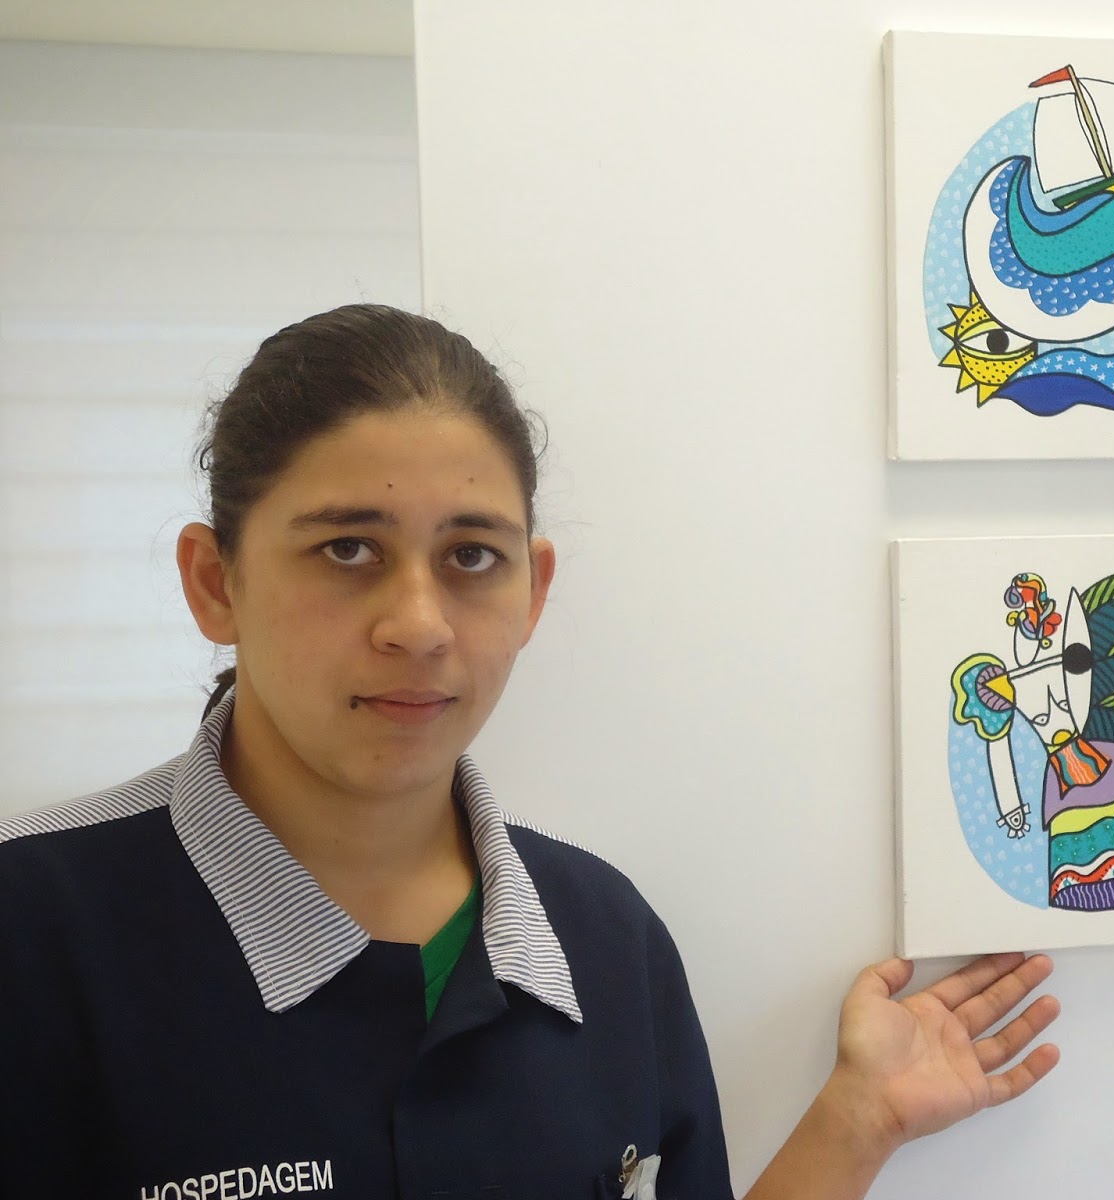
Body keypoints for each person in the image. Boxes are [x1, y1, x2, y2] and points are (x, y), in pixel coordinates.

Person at [0, 305, 1059, 1199]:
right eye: (347, 549)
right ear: (214, 583)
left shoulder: (607, 940)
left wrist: (855, 1125)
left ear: (533, 592)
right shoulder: (34, 930)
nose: (419, 625)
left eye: (471, 556)